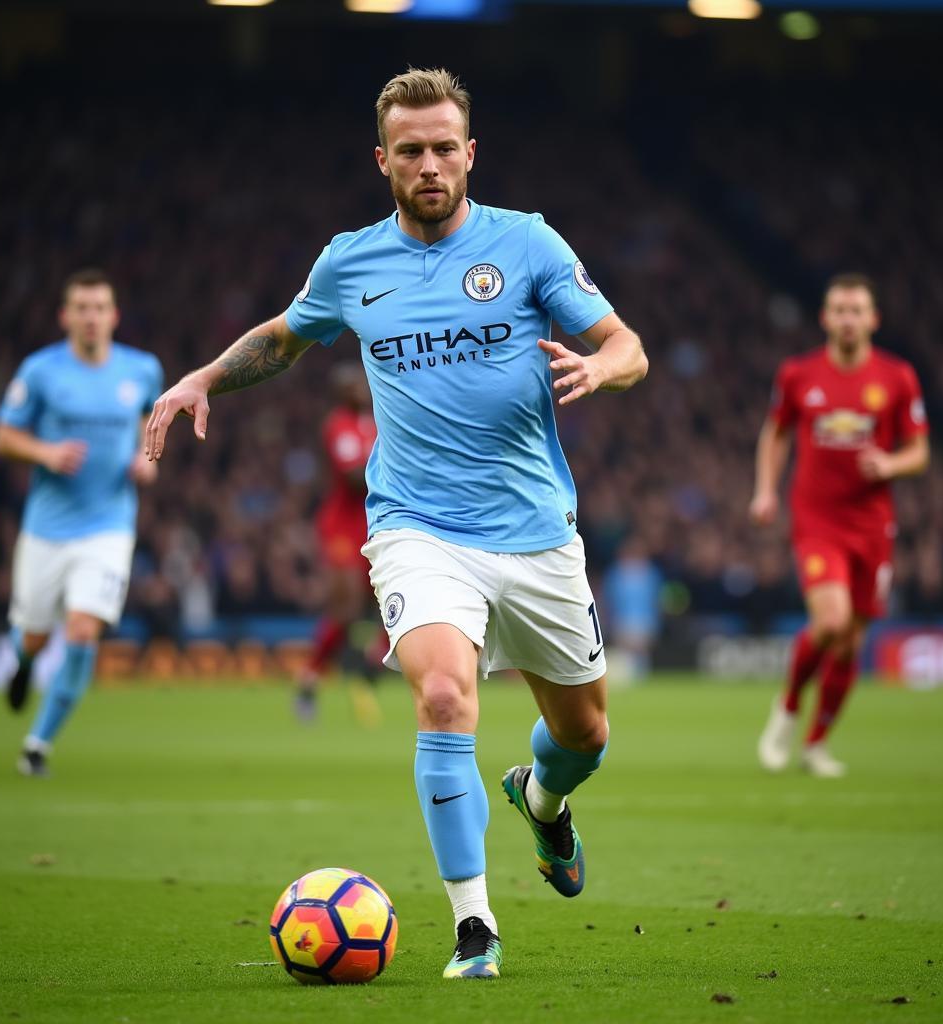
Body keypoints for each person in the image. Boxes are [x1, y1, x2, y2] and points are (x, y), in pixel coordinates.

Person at [145, 67, 648, 979]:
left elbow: (626, 343)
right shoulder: (351, 261)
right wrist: (201, 379)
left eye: (444, 147)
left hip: (535, 529)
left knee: (584, 738)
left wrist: (600, 369)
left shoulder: (527, 244)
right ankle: (475, 928)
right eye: (409, 149)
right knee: (446, 697)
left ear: (470, 153)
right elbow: (284, 339)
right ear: (383, 160)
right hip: (417, 526)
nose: (429, 163)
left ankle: (542, 801)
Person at [750, 273, 928, 778]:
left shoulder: (897, 378)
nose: (848, 319)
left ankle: (816, 743)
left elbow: (920, 451)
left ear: (872, 319)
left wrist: (891, 465)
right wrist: (765, 490)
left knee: (851, 641)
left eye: (857, 310)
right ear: (825, 318)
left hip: (873, 526)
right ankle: (787, 707)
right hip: (817, 519)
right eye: (839, 310)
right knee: (830, 622)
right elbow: (776, 432)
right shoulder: (799, 374)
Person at [0, 268, 163, 776]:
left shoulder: (141, 370)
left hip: (109, 525)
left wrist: (146, 461)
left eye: (99, 308)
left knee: (83, 630)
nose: (91, 318)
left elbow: (146, 432)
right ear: (66, 317)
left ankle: (37, 745)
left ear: (114, 316)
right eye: (81, 309)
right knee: (34, 637)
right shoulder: (41, 371)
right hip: (47, 527)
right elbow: (3, 437)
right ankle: (23, 664)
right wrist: (44, 451)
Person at [293, 362, 381, 722]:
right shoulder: (339, 425)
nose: (361, 390)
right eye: (353, 386)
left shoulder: (377, 422)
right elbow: (353, 476)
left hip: (376, 521)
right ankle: (310, 677)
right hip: (343, 526)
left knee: (392, 596)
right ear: (341, 393)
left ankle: (375, 658)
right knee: (344, 609)